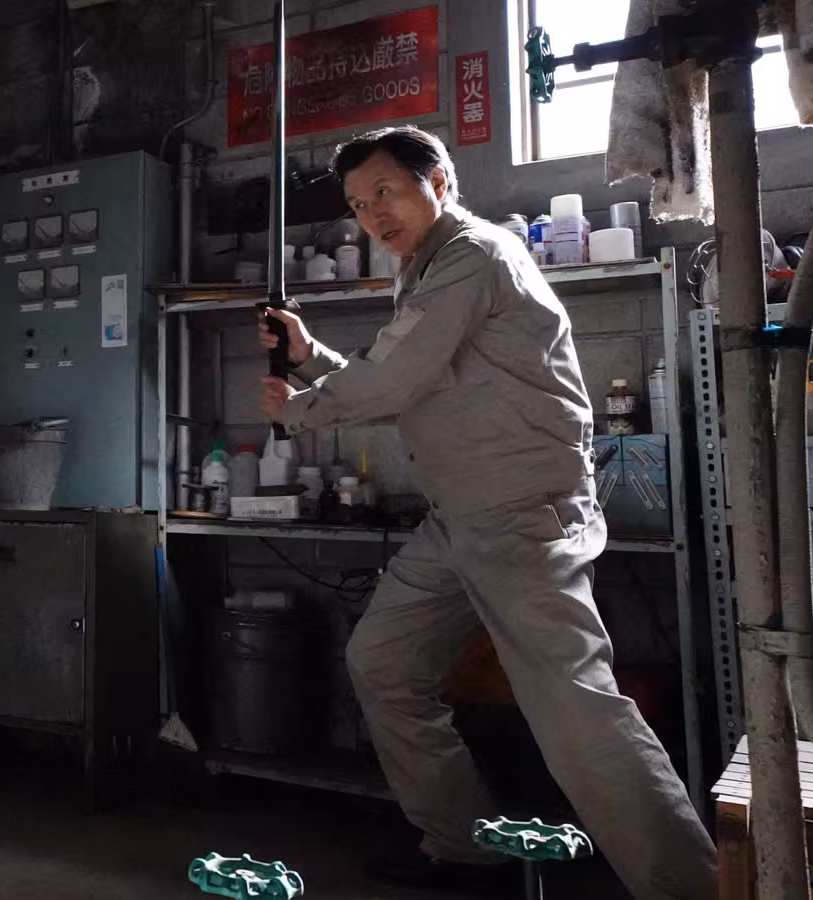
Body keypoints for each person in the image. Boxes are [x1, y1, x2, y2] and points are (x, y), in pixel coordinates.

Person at [256, 126, 714, 899]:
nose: (373, 215)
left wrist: (298, 408)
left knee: (577, 712)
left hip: (523, 515)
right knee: (384, 664)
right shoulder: (429, 270)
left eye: (386, 192)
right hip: (458, 519)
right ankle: (465, 849)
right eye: (359, 205)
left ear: (439, 183)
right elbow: (411, 377)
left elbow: (394, 377)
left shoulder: (474, 255)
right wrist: (307, 359)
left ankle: (690, 889)